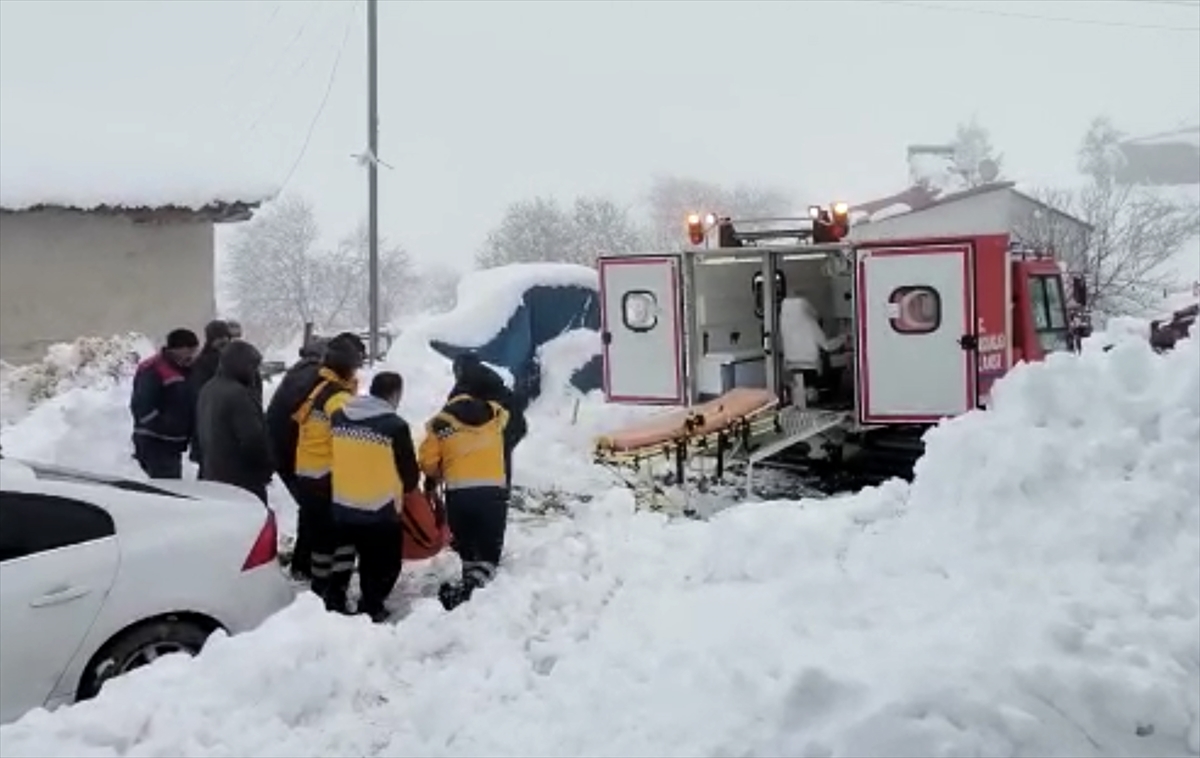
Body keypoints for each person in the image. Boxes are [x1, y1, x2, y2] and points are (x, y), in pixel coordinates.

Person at [266, 332, 364, 581]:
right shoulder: (322, 385)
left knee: (312, 510)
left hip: (292, 450)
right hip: (294, 451)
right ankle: (314, 569)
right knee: (320, 515)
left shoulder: (313, 375)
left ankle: (305, 563)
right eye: (357, 363)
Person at [326, 371, 421, 621]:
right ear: (395, 394)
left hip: (342, 503)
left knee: (344, 554)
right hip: (379, 509)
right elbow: (409, 475)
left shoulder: (338, 417)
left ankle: (334, 598)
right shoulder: (395, 426)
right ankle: (371, 605)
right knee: (382, 563)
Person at [419, 359, 511, 611]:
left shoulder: (440, 422)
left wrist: (437, 472)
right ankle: (470, 589)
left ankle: (469, 581)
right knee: (490, 554)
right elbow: (507, 412)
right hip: (492, 494)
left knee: (468, 550)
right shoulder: (495, 414)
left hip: (459, 494)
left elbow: (427, 463)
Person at [291, 339, 362, 604]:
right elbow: (354, 435)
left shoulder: (319, 388)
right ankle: (334, 594)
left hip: (309, 474)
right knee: (342, 538)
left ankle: (320, 590)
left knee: (321, 539)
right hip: (327, 478)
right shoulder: (338, 398)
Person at [194, 340, 274, 504]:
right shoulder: (239, 395)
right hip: (242, 479)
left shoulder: (208, 388)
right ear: (241, 365)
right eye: (252, 367)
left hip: (214, 472)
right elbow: (253, 440)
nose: (254, 373)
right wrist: (266, 468)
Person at [449, 354, 528, 488]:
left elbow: (453, 406)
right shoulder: (488, 377)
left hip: (504, 423)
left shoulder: (468, 378)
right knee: (502, 455)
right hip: (516, 423)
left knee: (495, 454)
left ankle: (491, 488)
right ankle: (501, 488)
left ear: (459, 368)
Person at [130, 328, 199, 479]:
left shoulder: (185, 370)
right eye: (190, 351)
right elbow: (142, 406)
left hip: (173, 442)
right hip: (155, 442)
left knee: (171, 485)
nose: (193, 356)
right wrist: (166, 425)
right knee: (167, 491)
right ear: (177, 349)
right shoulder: (153, 369)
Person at [778, 294, 846, 408]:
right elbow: (827, 346)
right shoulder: (810, 323)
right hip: (810, 365)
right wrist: (843, 338)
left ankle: (800, 408)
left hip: (791, 365)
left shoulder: (784, 326)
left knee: (800, 392)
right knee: (816, 392)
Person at [188, 320, 234, 476]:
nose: (223, 341)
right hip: (209, 426)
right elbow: (198, 397)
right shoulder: (202, 364)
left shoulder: (237, 360)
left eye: (226, 337)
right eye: (218, 338)